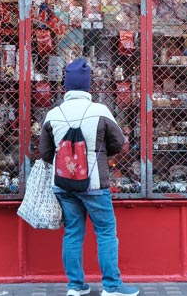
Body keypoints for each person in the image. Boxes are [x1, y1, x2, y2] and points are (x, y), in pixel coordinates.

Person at [39, 57, 139, 296]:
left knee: (73, 232)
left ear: (66, 86)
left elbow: (44, 153)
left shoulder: (53, 114)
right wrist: (99, 154)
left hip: (63, 183)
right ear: (87, 85)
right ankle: (112, 286)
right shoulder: (100, 111)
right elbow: (119, 143)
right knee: (105, 232)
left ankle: (75, 286)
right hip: (95, 184)